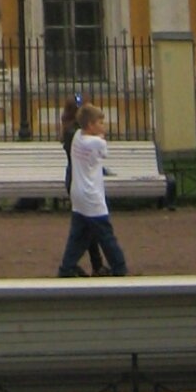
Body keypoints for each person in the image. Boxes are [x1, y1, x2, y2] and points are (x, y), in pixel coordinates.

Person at [55, 102, 128, 277]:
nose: (103, 126)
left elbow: (74, 128)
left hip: (78, 193)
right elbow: (103, 151)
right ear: (90, 125)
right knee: (105, 235)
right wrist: (100, 136)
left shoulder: (77, 137)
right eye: (100, 122)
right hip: (92, 195)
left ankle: (67, 267)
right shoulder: (97, 143)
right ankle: (119, 267)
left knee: (78, 234)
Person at [59, 94, 106, 275]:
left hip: (78, 179)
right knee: (88, 228)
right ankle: (74, 264)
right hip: (78, 180)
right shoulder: (74, 133)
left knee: (87, 227)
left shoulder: (73, 131)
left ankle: (90, 264)